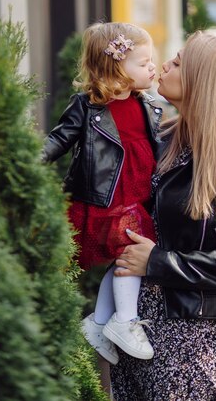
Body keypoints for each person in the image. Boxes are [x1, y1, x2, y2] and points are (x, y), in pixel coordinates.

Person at [110, 31, 216, 401]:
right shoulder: (163, 137)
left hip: (189, 329)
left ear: (202, 80)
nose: (166, 65)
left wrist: (157, 262)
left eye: (178, 61)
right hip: (132, 321)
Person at [42, 22, 162, 365]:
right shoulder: (88, 106)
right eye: (143, 62)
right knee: (130, 251)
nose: (152, 67)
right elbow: (59, 139)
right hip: (105, 199)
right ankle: (123, 320)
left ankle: (98, 323)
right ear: (116, 68)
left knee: (126, 256)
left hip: (138, 197)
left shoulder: (149, 105)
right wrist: (30, 161)